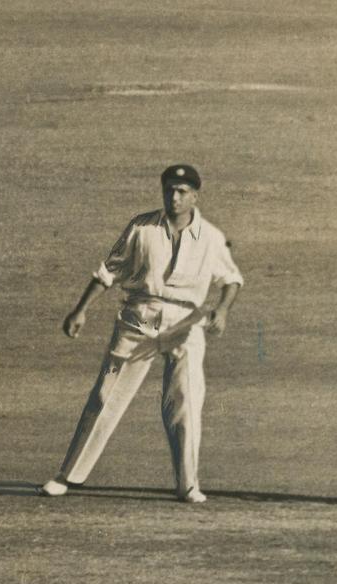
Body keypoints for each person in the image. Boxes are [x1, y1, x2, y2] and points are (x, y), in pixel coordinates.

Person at [39, 164, 244, 504]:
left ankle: (188, 485)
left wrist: (221, 310)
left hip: (186, 322)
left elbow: (232, 279)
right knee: (105, 394)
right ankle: (67, 475)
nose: (174, 198)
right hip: (138, 318)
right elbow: (109, 270)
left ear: (195, 196)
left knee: (186, 401)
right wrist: (81, 310)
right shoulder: (141, 226)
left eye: (181, 192)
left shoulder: (211, 236)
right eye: (169, 190)